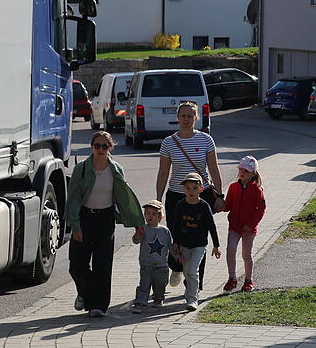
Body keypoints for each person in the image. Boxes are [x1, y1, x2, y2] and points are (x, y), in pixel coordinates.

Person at [67, 131, 145, 317]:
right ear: (91, 147)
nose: (100, 150)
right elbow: (73, 199)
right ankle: (84, 294)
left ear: (110, 148)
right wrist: (75, 225)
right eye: (97, 146)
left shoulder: (116, 169)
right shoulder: (82, 169)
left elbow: (124, 199)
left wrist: (136, 222)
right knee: (77, 264)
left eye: (104, 146)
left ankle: (98, 306)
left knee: (103, 263)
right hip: (84, 218)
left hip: (105, 218)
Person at [155, 101, 222, 288]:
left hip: (201, 197)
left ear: (196, 118)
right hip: (177, 197)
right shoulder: (168, 143)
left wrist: (220, 195)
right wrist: (158, 200)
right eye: (183, 116)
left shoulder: (206, 140)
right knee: (177, 237)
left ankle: (194, 285)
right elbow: (162, 173)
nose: (186, 119)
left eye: (190, 116)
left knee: (199, 238)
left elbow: (214, 169)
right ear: (177, 118)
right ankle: (176, 268)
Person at [170, 172, 221, 311]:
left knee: (192, 271)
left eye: (194, 187)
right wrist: (175, 243)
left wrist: (216, 245)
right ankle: (190, 292)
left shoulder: (204, 206)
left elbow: (212, 226)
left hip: (199, 245)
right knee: (187, 272)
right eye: (188, 188)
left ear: (201, 189)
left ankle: (192, 299)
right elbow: (175, 225)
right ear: (183, 190)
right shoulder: (180, 205)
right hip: (184, 245)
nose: (191, 191)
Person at [222, 156, 267, 293]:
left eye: (246, 170)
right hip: (234, 226)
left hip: (248, 229)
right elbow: (227, 206)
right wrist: (218, 203)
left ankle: (248, 280)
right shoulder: (233, 187)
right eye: (241, 169)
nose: (242, 172)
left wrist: (251, 224)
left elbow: (261, 209)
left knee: (246, 254)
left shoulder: (257, 189)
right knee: (230, 250)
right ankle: (232, 279)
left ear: (253, 173)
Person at [131, 200, 173, 313]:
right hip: (146, 264)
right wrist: (138, 234)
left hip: (161, 264)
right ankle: (140, 303)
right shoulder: (143, 229)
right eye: (148, 213)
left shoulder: (165, 231)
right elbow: (135, 240)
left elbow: (170, 245)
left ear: (160, 216)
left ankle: (158, 299)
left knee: (160, 284)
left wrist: (177, 256)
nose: (150, 216)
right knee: (144, 284)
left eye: (154, 214)